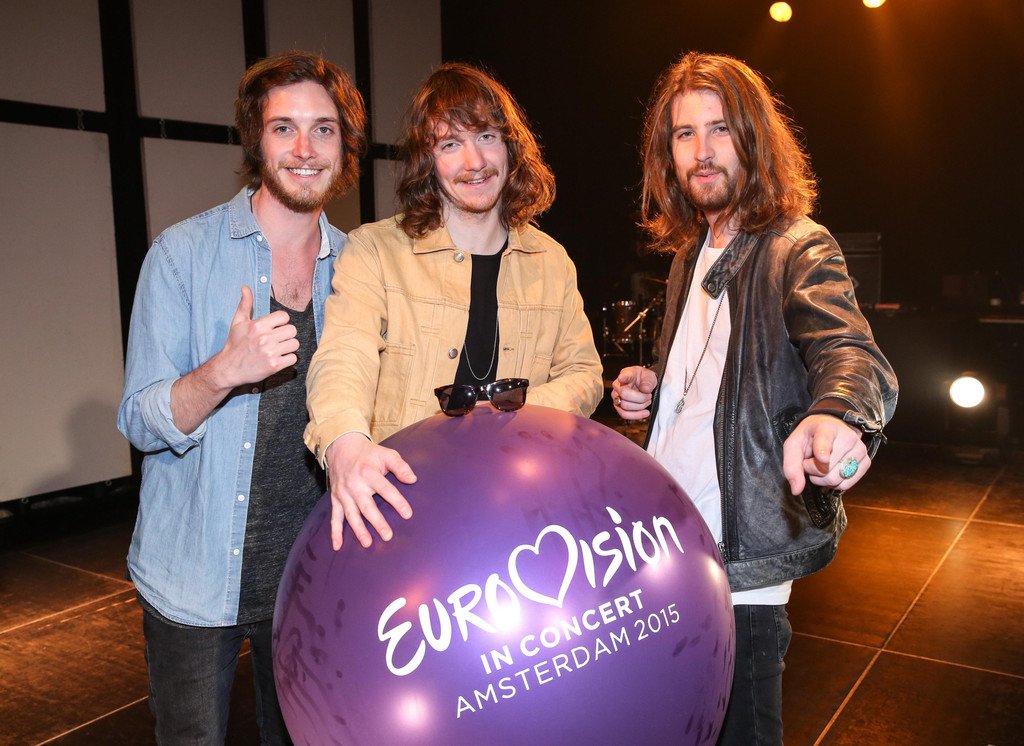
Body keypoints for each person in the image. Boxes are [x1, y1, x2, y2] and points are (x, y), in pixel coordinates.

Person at [612, 52, 898, 745]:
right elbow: (717, 379)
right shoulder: (688, 258)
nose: (702, 151)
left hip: (741, 561)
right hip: (671, 544)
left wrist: (837, 413)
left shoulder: (798, 247)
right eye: (684, 134)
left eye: (720, 129)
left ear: (754, 138)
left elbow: (851, 353)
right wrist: (657, 387)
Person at [117, 50, 366, 744]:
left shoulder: (359, 266)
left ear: (344, 145)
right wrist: (223, 371)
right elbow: (139, 419)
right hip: (195, 580)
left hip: (312, 580)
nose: (305, 149)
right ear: (256, 139)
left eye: (323, 129)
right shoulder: (183, 254)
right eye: (284, 128)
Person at [304, 62, 603, 552]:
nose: (474, 161)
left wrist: (513, 413)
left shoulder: (552, 261)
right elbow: (343, 356)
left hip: (519, 511)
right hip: (403, 513)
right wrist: (344, 442)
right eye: (450, 145)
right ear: (428, 160)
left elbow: (584, 373)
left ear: (511, 147)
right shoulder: (375, 250)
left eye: (486, 137)